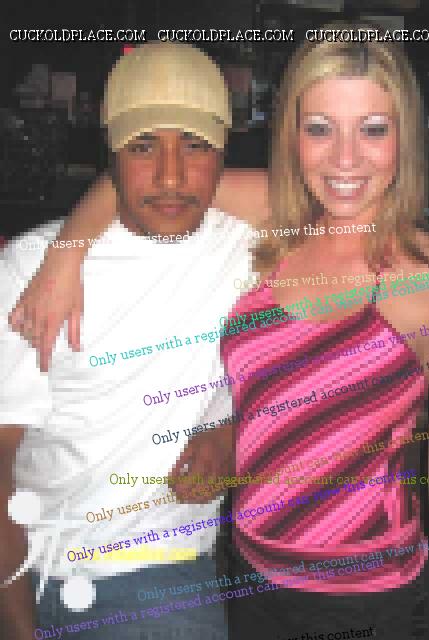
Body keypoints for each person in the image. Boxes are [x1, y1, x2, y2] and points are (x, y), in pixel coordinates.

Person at [7, 21, 429, 640]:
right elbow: (139, 178)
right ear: (291, 134)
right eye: (320, 128)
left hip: (369, 595)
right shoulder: (273, 217)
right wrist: (63, 257)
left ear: (405, 137)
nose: (345, 158)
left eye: (372, 129)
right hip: (248, 575)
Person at [0, 41, 254, 640]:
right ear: (109, 150)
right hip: (29, 564)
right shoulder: (30, 270)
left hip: (156, 573)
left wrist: (229, 432)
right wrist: (17, 621)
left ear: (225, 151)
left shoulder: (253, 246)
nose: (170, 175)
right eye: (142, 146)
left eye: (194, 145)